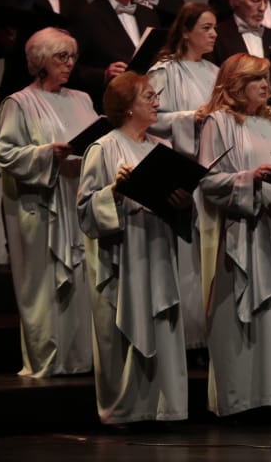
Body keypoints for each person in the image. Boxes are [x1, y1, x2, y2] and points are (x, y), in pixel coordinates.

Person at [77, 72, 191, 426]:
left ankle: (166, 407)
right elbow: (85, 208)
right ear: (127, 107)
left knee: (162, 319)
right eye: (148, 97)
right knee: (123, 327)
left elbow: (179, 207)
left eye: (156, 96)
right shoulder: (103, 148)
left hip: (157, 247)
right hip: (125, 255)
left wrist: (182, 202)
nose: (157, 102)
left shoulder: (162, 149)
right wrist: (114, 190)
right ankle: (126, 409)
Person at [195, 54, 271, 416]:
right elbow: (209, 181)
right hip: (243, 232)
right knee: (241, 318)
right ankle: (242, 399)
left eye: (266, 78)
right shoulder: (220, 122)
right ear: (235, 84)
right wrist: (249, 178)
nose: (265, 85)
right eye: (256, 79)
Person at [0, 27, 97, 377]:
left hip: (76, 198)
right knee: (45, 283)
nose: (69, 64)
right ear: (39, 61)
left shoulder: (82, 99)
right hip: (43, 204)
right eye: (60, 57)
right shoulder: (18, 103)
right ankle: (49, 358)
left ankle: (82, 358)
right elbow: (7, 155)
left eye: (72, 57)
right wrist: (47, 153)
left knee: (83, 279)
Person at [146, 2, 220, 352]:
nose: (213, 34)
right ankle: (188, 338)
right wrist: (192, 117)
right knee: (187, 259)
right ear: (186, 31)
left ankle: (210, 332)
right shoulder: (165, 71)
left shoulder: (217, 71)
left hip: (213, 168)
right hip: (182, 167)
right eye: (205, 27)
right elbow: (151, 117)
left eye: (215, 28)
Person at [71, 0, 160, 111]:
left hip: (147, 109)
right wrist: (104, 75)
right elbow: (70, 69)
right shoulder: (87, 16)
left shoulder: (148, 14)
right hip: (109, 109)